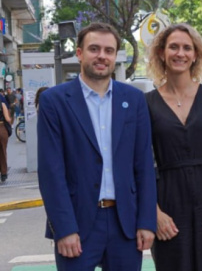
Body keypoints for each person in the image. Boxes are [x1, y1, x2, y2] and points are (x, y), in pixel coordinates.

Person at [37, 22, 157, 270]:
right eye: (94, 49)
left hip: (126, 224)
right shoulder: (54, 101)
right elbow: (51, 172)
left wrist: (146, 221)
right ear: (79, 53)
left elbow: (144, 164)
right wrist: (64, 228)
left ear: (115, 57)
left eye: (109, 50)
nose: (102, 56)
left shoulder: (133, 99)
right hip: (77, 225)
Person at [145, 24, 202, 270]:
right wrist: (154, 212)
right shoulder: (146, 104)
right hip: (169, 200)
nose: (180, 53)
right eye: (173, 47)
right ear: (162, 53)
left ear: (196, 54)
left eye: (187, 48)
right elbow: (141, 163)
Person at [0, 95, 11, 182]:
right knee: (3, 152)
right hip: (2, 129)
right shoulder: (2, 104)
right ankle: (3, 174)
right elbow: (7, 119)